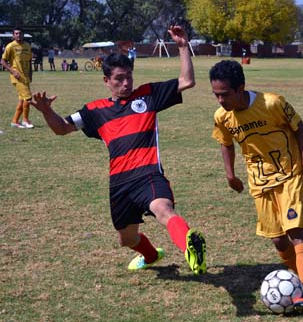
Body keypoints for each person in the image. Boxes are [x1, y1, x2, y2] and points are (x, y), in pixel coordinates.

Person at [29, 25, 207, 275]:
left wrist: (181, 46)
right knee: (126, 239)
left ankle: (190, 245)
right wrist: (47, 111)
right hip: (120, 183)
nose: (126, 83)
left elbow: (187, 81)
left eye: (129, 77)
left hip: (148, 175)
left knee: (163, 210)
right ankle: (152, 255)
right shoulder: (94, 111)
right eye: (119, 79)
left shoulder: (148, 96)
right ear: (106, 81)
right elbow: (61, 128)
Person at [209, 60, 303, 313]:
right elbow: (226, 143)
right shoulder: (222, 117)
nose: (220, 100)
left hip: (288, 174)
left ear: (241, 88)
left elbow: (298, 126)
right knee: (278, 241)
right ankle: (302, 282)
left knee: (295, 232)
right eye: (216, 94)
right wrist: (230, 175)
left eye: (225, 94)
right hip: (259, 182)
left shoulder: (271, 103)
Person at [1, 27, 35, 129]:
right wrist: (13, 71)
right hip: (17, 77)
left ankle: (15, 121)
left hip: (26, 77)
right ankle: (25, 120)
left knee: (22, 100)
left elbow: (29, 61)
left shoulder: (27, 46)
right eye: (16, 33)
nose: (18, 35)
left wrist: (30, 74)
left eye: (20, 33)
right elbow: (2, 61)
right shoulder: (10, 46)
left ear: (23, 34)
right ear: (13, 35)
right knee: (28, 98)